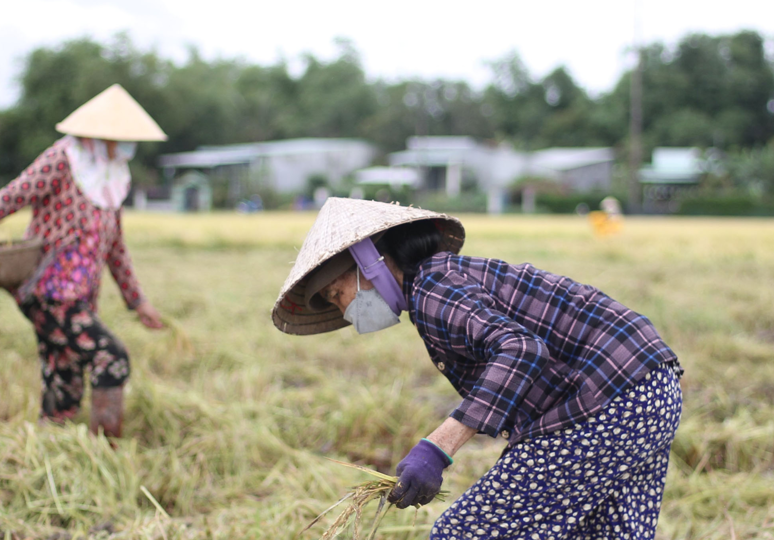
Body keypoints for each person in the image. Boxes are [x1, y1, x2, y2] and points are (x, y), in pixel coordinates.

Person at [272, 198, 683, 539]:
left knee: (464, 533)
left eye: (336, 292)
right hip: (651, 385)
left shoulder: (435, 290)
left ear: (370, 263)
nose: (344, 309)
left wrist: (437, 448)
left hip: (612, 398)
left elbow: (521, 350)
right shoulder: (442, 281)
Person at [0, 84, 167, 439]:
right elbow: (10, 197)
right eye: (122, 139)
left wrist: (138, 301)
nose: (128, 148)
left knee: (64, 372)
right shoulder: (62, 159)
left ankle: (52, 446)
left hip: (82, 295)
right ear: (100, 135)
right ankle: (107, 452)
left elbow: (115, 248)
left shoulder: (113, 177)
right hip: (48, 290)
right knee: (110, 356)